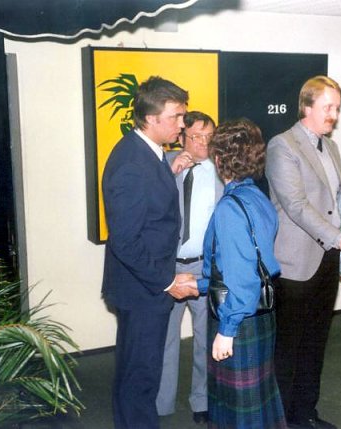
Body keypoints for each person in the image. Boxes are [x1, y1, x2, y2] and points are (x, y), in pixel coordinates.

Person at [265, 75, 341, 429]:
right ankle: (282, 419)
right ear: (306, 106)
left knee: (315, 342)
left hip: (327, 258)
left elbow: (340, 204)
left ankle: (305, 413)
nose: (334, 115)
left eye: (337, 108)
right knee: (288, 347)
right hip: (295, 264)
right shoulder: (282, 146)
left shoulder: (331, 147)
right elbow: (296, 206)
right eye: (328, 107)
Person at [101, 76, 198, 429]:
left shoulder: (147, 153)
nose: (182, 124)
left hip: (142, 285)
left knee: (136, 374)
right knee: (140, 378)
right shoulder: (132, 163)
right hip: (142, 289)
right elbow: (125, 241)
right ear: (151, 118)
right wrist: (167, 281)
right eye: (176, 117)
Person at [180, 118, 287, 429]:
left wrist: (227, 330)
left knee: (241, 414)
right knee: (259, 407)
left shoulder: (229, 207)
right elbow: (250, 265)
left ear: (218, 160)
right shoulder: (257, 197)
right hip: (260, 313)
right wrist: (199, 284)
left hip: (238, 319)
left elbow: (241, 278)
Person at [157, 111, 222, 424]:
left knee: (205, 337)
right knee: (164, 338)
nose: (203, 143)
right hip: (168, 267)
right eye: (196, 137)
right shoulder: (163, 165)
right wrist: (170, 174)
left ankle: (202, 401)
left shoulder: (222, 171)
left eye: (209, 137)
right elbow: (148, 205)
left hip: (204, 267)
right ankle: (161, 403)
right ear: (182, 137)